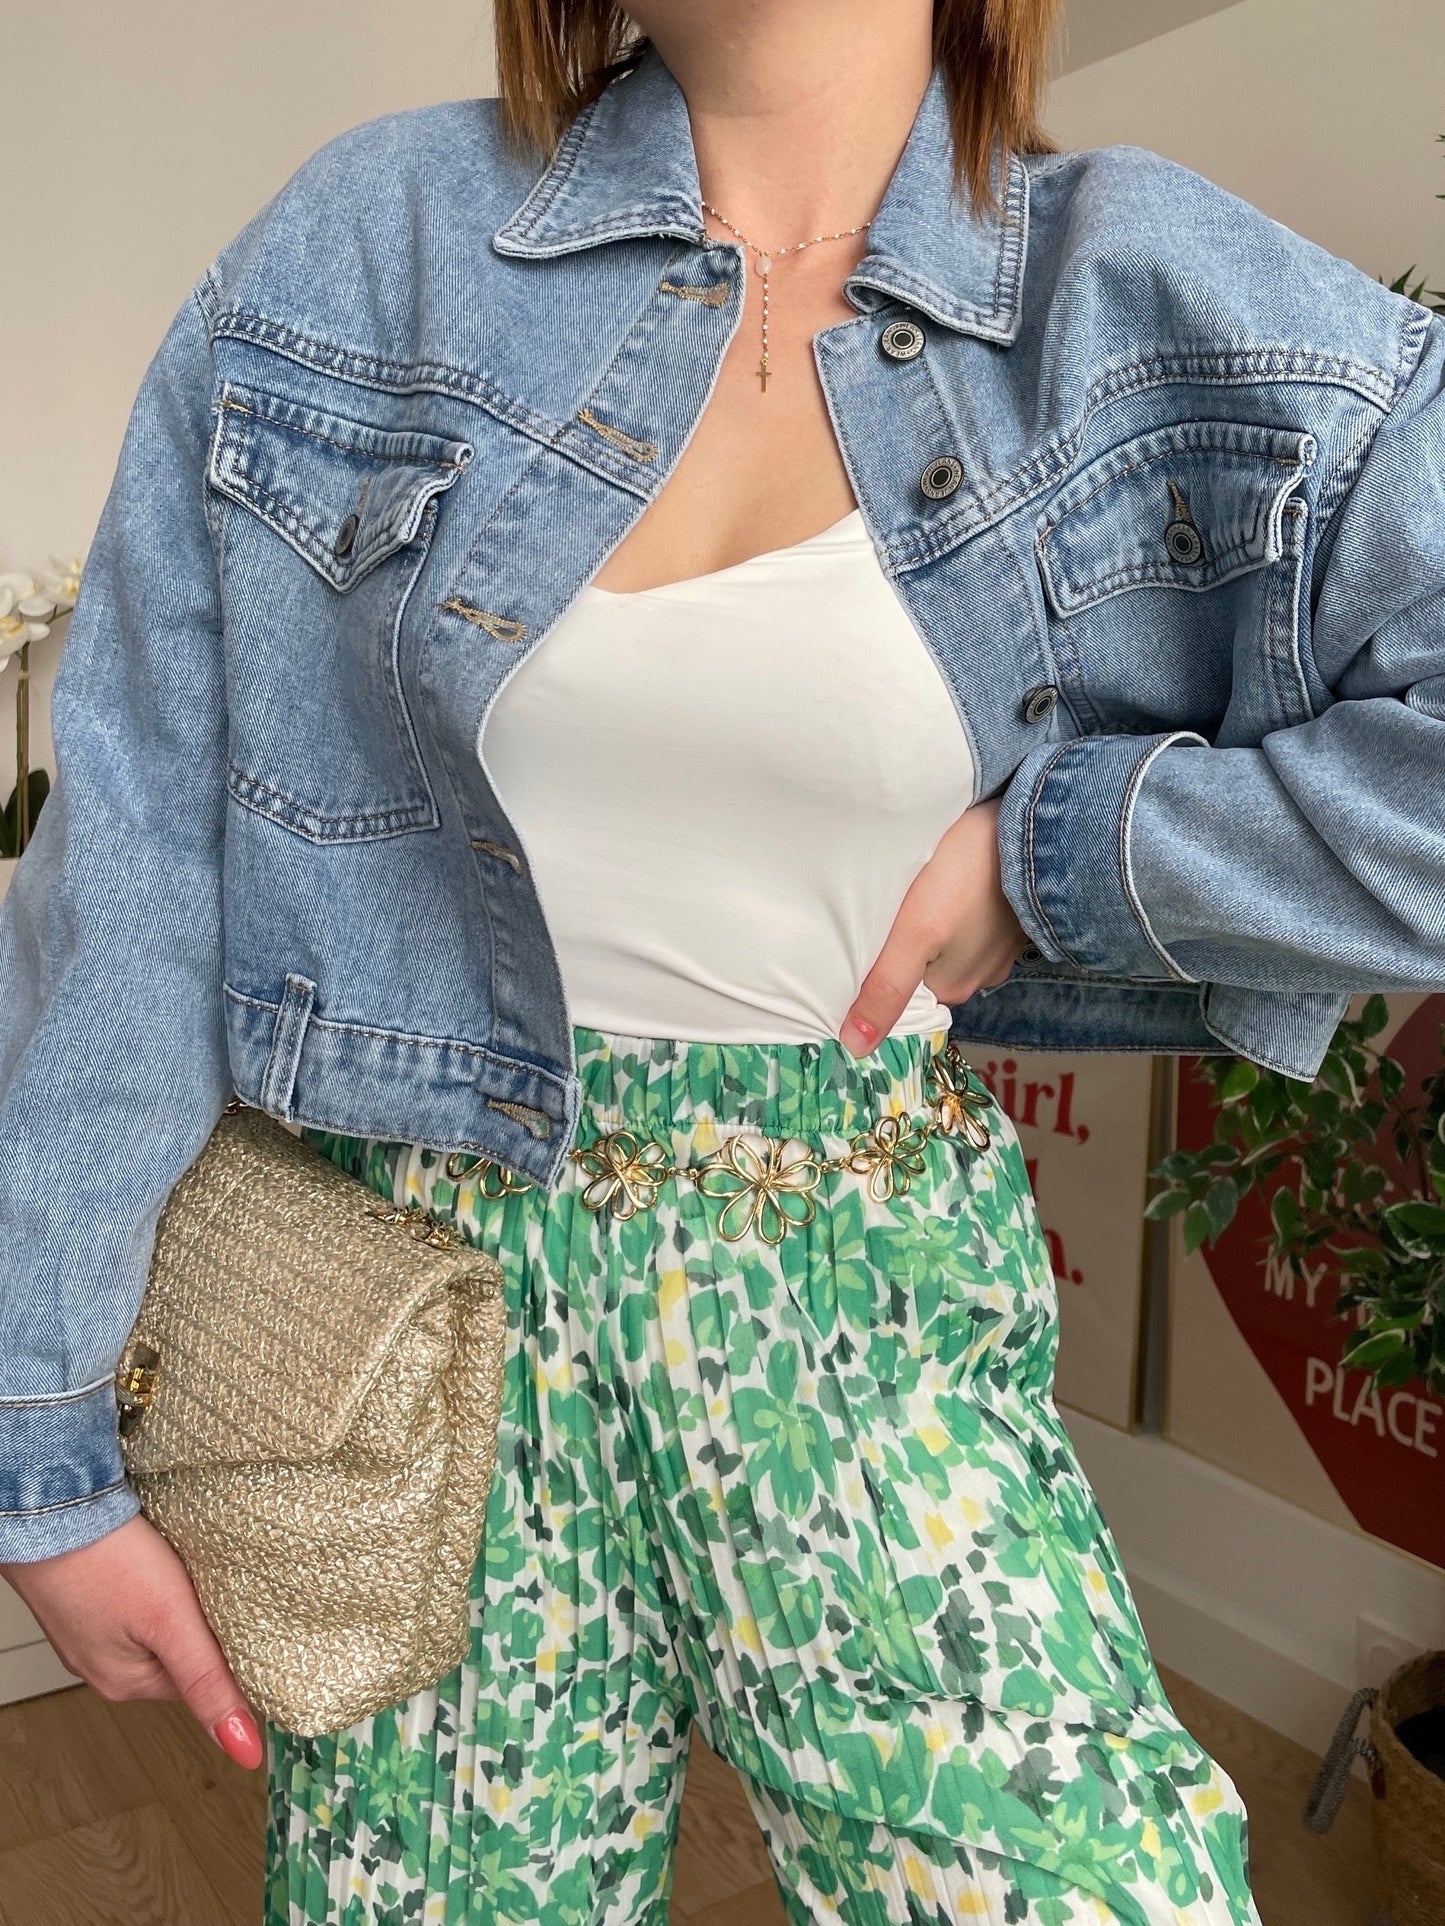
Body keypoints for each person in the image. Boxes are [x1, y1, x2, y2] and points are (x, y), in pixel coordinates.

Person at [4, 0, 1444, 1919]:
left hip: (855, 1293)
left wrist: (1069, 856)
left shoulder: (1139, 285)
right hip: (426, 1322)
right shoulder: (364, 246)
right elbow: (133, 862)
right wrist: (39, 1444)